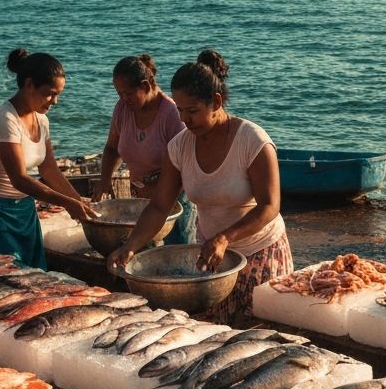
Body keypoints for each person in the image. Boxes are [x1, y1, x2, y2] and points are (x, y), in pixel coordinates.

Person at [108, 49, 293, 321]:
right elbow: (160, 206)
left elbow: (270, 206)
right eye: (180, 110)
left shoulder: (252, 141)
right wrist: (131, 246)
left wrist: (225, 237)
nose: (184, 119)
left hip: (261, 253)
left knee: (257, 335)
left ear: (216, 101)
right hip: (212, 258)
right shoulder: (179, 147)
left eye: (193, 111)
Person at [0, 48, 96, 269]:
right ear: (29, 85)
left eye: (58, 94)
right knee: (1, 283)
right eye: (50, 93)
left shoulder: (41, 120)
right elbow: (18, 178)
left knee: (35, 279)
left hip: (25, 211)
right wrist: (67, 203)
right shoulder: (4, 119)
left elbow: (50, 170)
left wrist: (78, 201)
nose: (54, 101)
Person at [96, 54, 196, 243]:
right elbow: (112, 148)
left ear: (145, 86)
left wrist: (157, 184)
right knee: (143, 251)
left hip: (176, 200)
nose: (123, 99)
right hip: (143, 199)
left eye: (128, 93)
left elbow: (187, 164)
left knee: (176, 256)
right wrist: (104, 180)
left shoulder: (171, 114)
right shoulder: (122, 109)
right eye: (119, 94)